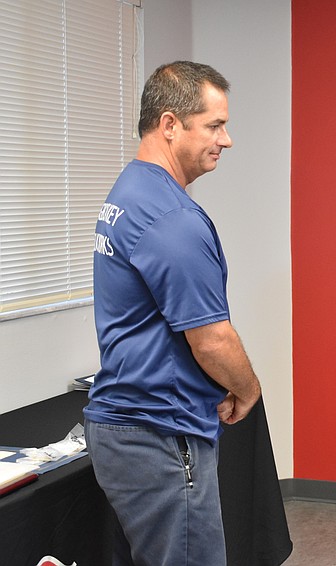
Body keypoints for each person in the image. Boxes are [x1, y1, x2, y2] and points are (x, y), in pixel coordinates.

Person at [85, 61, 261, 566]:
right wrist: (249, 390)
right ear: (169, 125)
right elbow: (211, 339)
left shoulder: (131, 191)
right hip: (158, 433)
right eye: (214, 125)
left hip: (130, 426)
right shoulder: (170, 218)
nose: (226, 140)